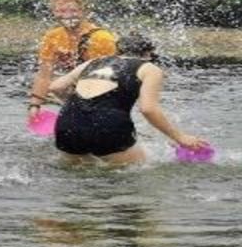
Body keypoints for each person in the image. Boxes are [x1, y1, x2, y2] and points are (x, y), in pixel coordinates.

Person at [31, 32, 208, 165]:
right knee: (139, 172)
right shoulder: (149, 68)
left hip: (68, 123)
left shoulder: (94, 62)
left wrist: (80, 107)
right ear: (149, 53)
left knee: (79, 174)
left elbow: (54, 87)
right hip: (108, 126)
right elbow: (148, 109)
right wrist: (180, 138)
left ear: (118, 50)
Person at [28, 0, 117, 122]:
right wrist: (35, 105)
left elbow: (110, 77)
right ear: (53, 12)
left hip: (106, 86)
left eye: (74, 11)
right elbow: (44, 74)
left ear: (85, 12)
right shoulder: (52, 37)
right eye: (61, 11)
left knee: (59, 86)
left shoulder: (101, 38)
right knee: (54, 84)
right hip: (79, 86)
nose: (67, 16)